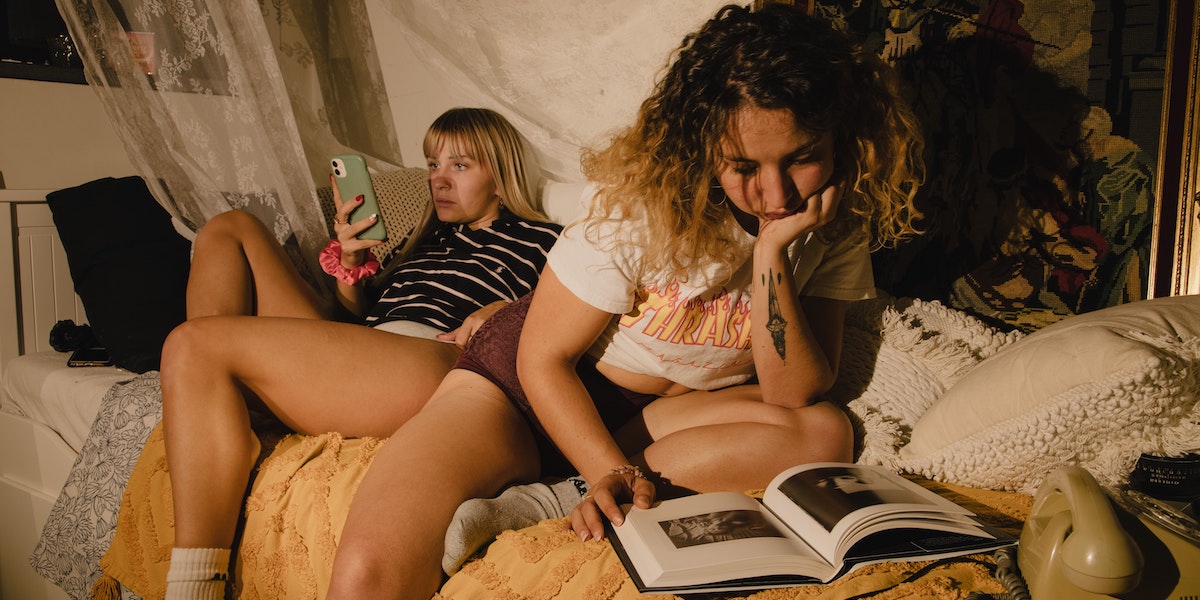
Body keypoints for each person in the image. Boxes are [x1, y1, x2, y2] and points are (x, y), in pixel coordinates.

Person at [439, 2, 926, 575]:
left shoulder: (834, 227)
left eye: (801, 160)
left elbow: (794, 391)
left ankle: (553, 496)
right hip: (553, 386)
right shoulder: (640, 205)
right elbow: (543, 359)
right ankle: (579, 481)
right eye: (743, 167)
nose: (776, 195)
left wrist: (772, 252)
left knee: (826, 431)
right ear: (703, 150)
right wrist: (608, 469)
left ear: (839, 143)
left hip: (665, 418)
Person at [159, 107, 562, 600]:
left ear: (501, 176)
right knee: (228, 228)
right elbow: (353, 325)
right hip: (375, 348)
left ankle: (194, 585)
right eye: (433, 164)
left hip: (439, 360)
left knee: (190, 342)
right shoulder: (425, 240)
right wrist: (351, 267)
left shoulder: (544, 240)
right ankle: (217, 399)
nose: (438, 179)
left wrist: (507, 308)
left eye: (459, 165)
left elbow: (572, 314)